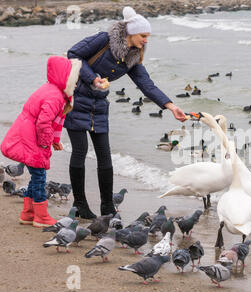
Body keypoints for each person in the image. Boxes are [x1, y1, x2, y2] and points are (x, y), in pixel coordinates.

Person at [65, 7, 186, 219]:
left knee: (105, 156)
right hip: (77, 100)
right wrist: (93, 78)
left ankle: (107, 207)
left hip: (99, 106)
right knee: (80, 151)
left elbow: (146, 84)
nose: (146, 40)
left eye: (148, 36)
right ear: (130, 32)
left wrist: (171, 106)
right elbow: (73, 54)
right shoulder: (104, 39)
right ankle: (80, 205)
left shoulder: (132, 57)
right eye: (143, 36)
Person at [0, 56, 81, 227]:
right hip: (32, 138)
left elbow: (52, 121)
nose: (76, 84)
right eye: (75, 80)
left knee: (36, 176)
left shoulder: (51, 90)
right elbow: (44, 123)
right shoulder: (55, 96)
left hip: (29, 133)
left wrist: (53, 140)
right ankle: (41, 216)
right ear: (65, 78)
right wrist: (45, 143)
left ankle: (28, 213)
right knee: (39, 177)